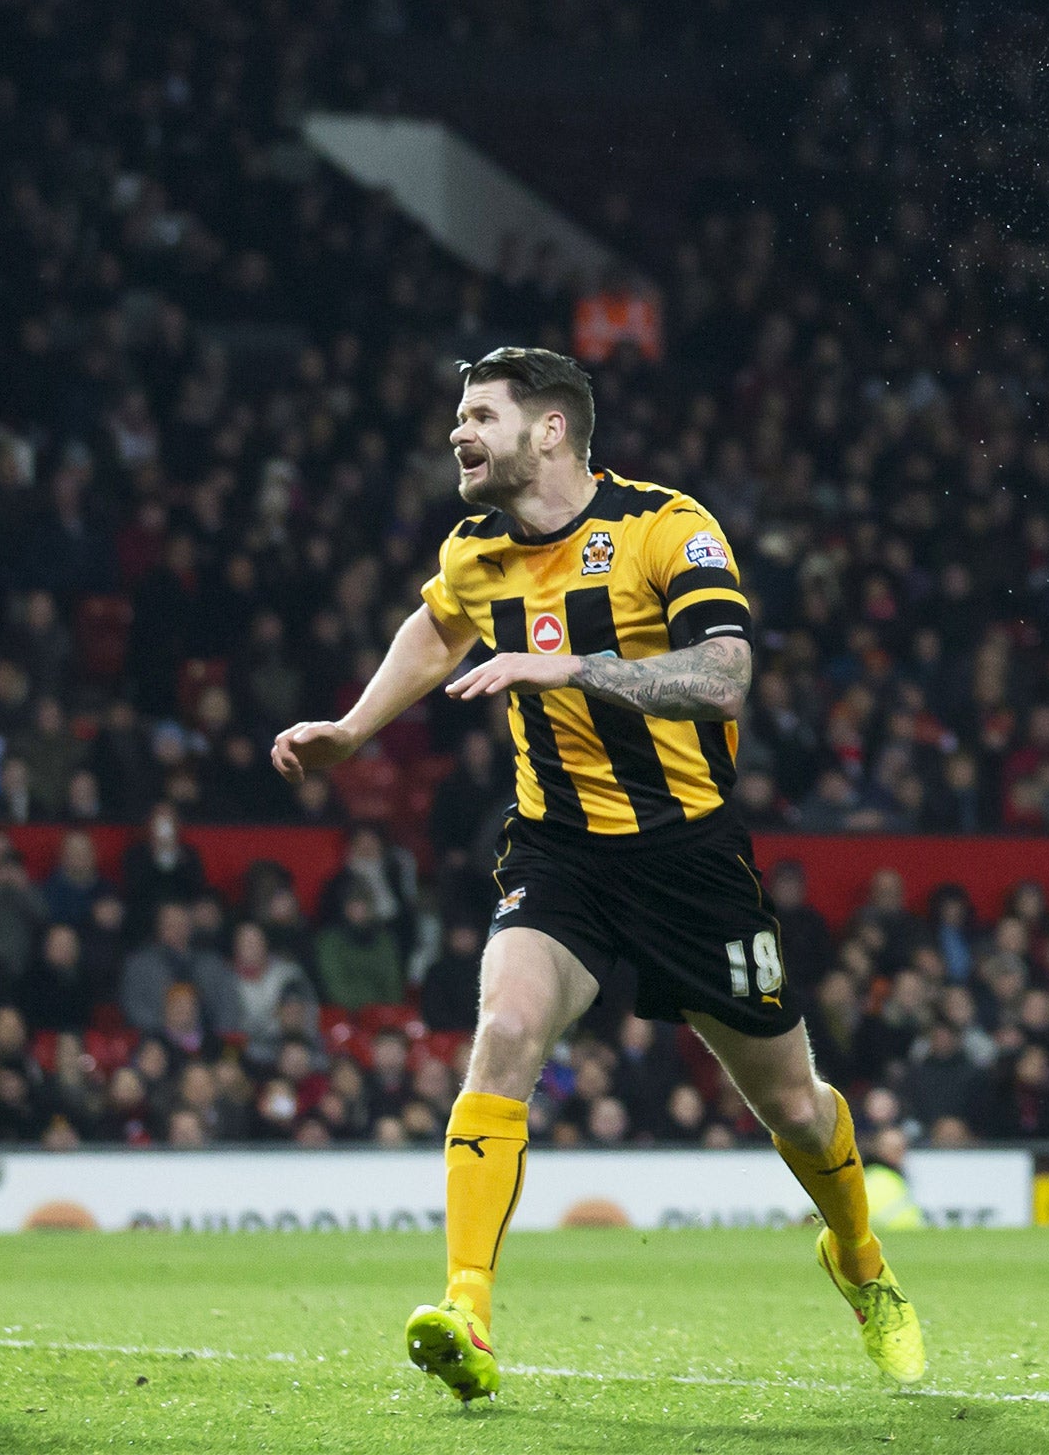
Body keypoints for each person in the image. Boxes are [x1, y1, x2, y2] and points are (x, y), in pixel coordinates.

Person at [272, 347, 923, 1401]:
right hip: (558, 851)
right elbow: (439, 622)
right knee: (507, 1034)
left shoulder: (667, 526)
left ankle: (858, 1261)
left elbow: (725, 678)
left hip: (691, 859)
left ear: (550, 431)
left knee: (795, 1110)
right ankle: (467, 1311)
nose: (457, 433)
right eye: (456, 416)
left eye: (479, 415)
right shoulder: (476, 544)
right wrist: (352, 731)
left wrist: (568, 666)